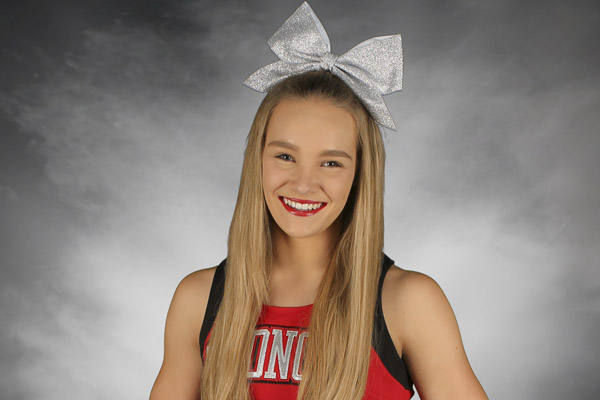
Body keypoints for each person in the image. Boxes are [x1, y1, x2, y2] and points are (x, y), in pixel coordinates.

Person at [150, 3, 488, 399]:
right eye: (285, 156)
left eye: (331, 162)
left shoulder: (409, 302)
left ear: (361, 173)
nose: (304, 184)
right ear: (256, 160)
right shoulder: (198, 299)